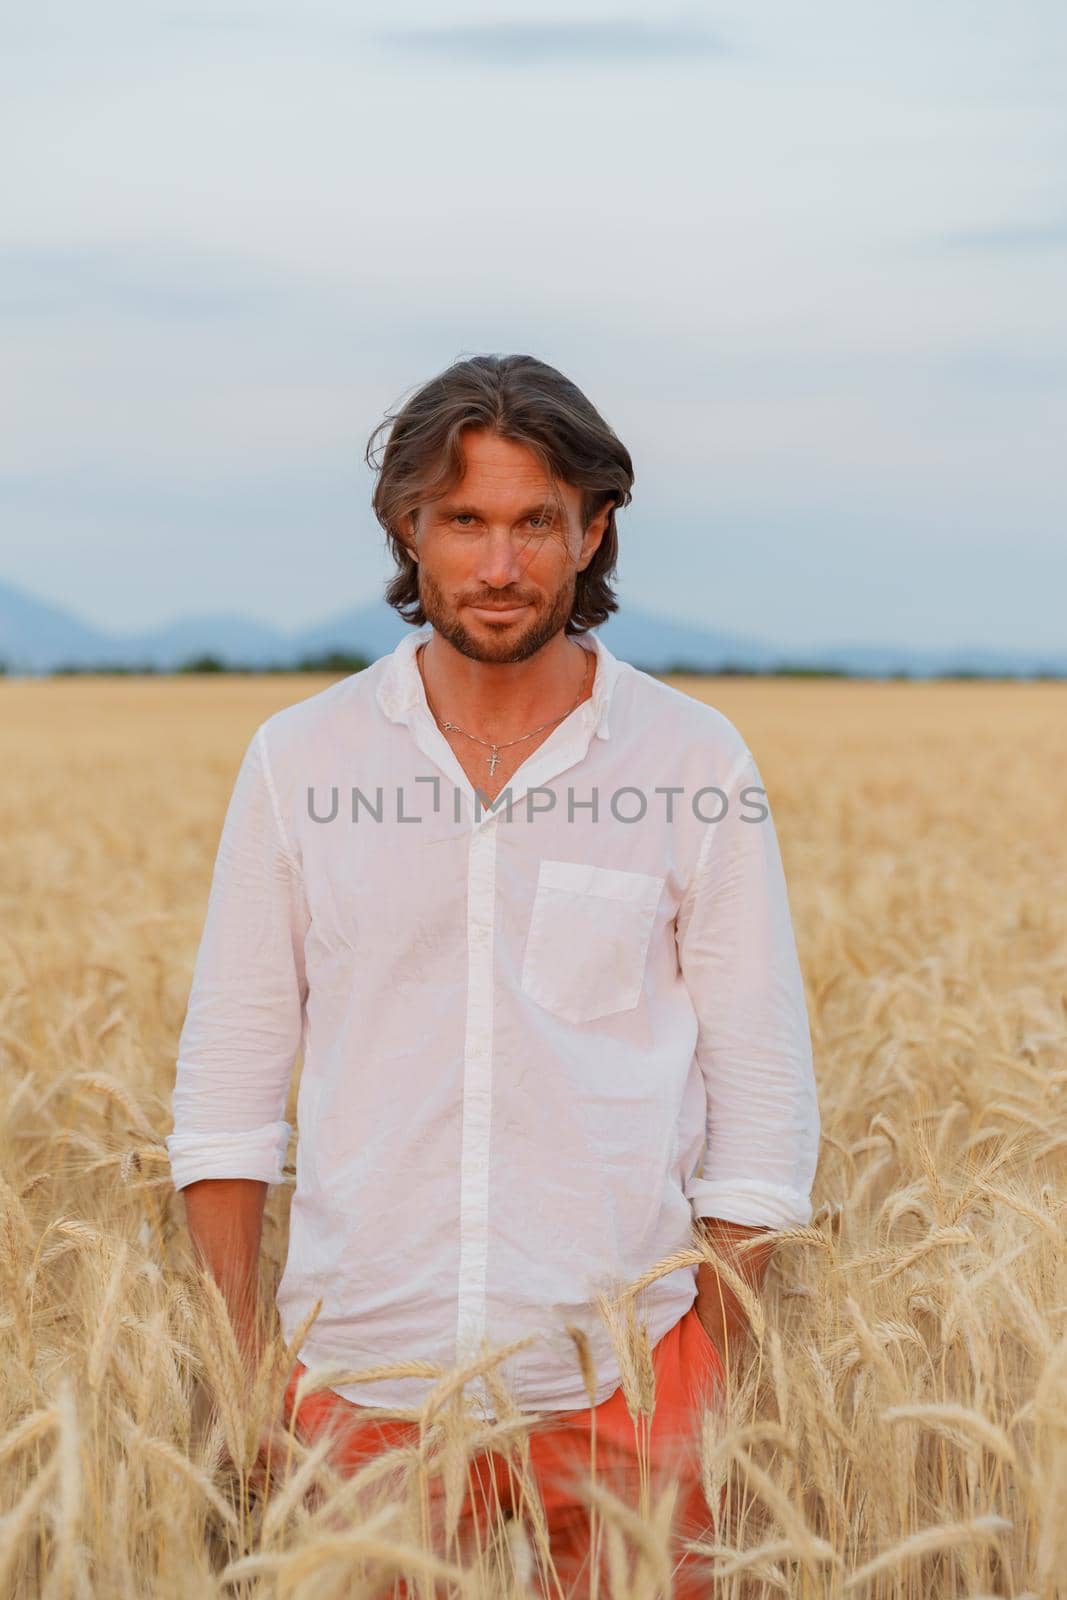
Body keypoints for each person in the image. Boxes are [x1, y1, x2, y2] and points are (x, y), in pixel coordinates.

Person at [165, 353, 820, 1596]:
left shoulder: (690, 757)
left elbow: (762, 1104)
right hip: (355, 1387)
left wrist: (693, 1384)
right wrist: (246, 1373)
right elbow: (226, 1103)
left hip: (619, 1394)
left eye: (533, 521)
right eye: (462, 520)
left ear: (594, 529)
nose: (499, 564)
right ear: (407, 529)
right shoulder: (300, 760)